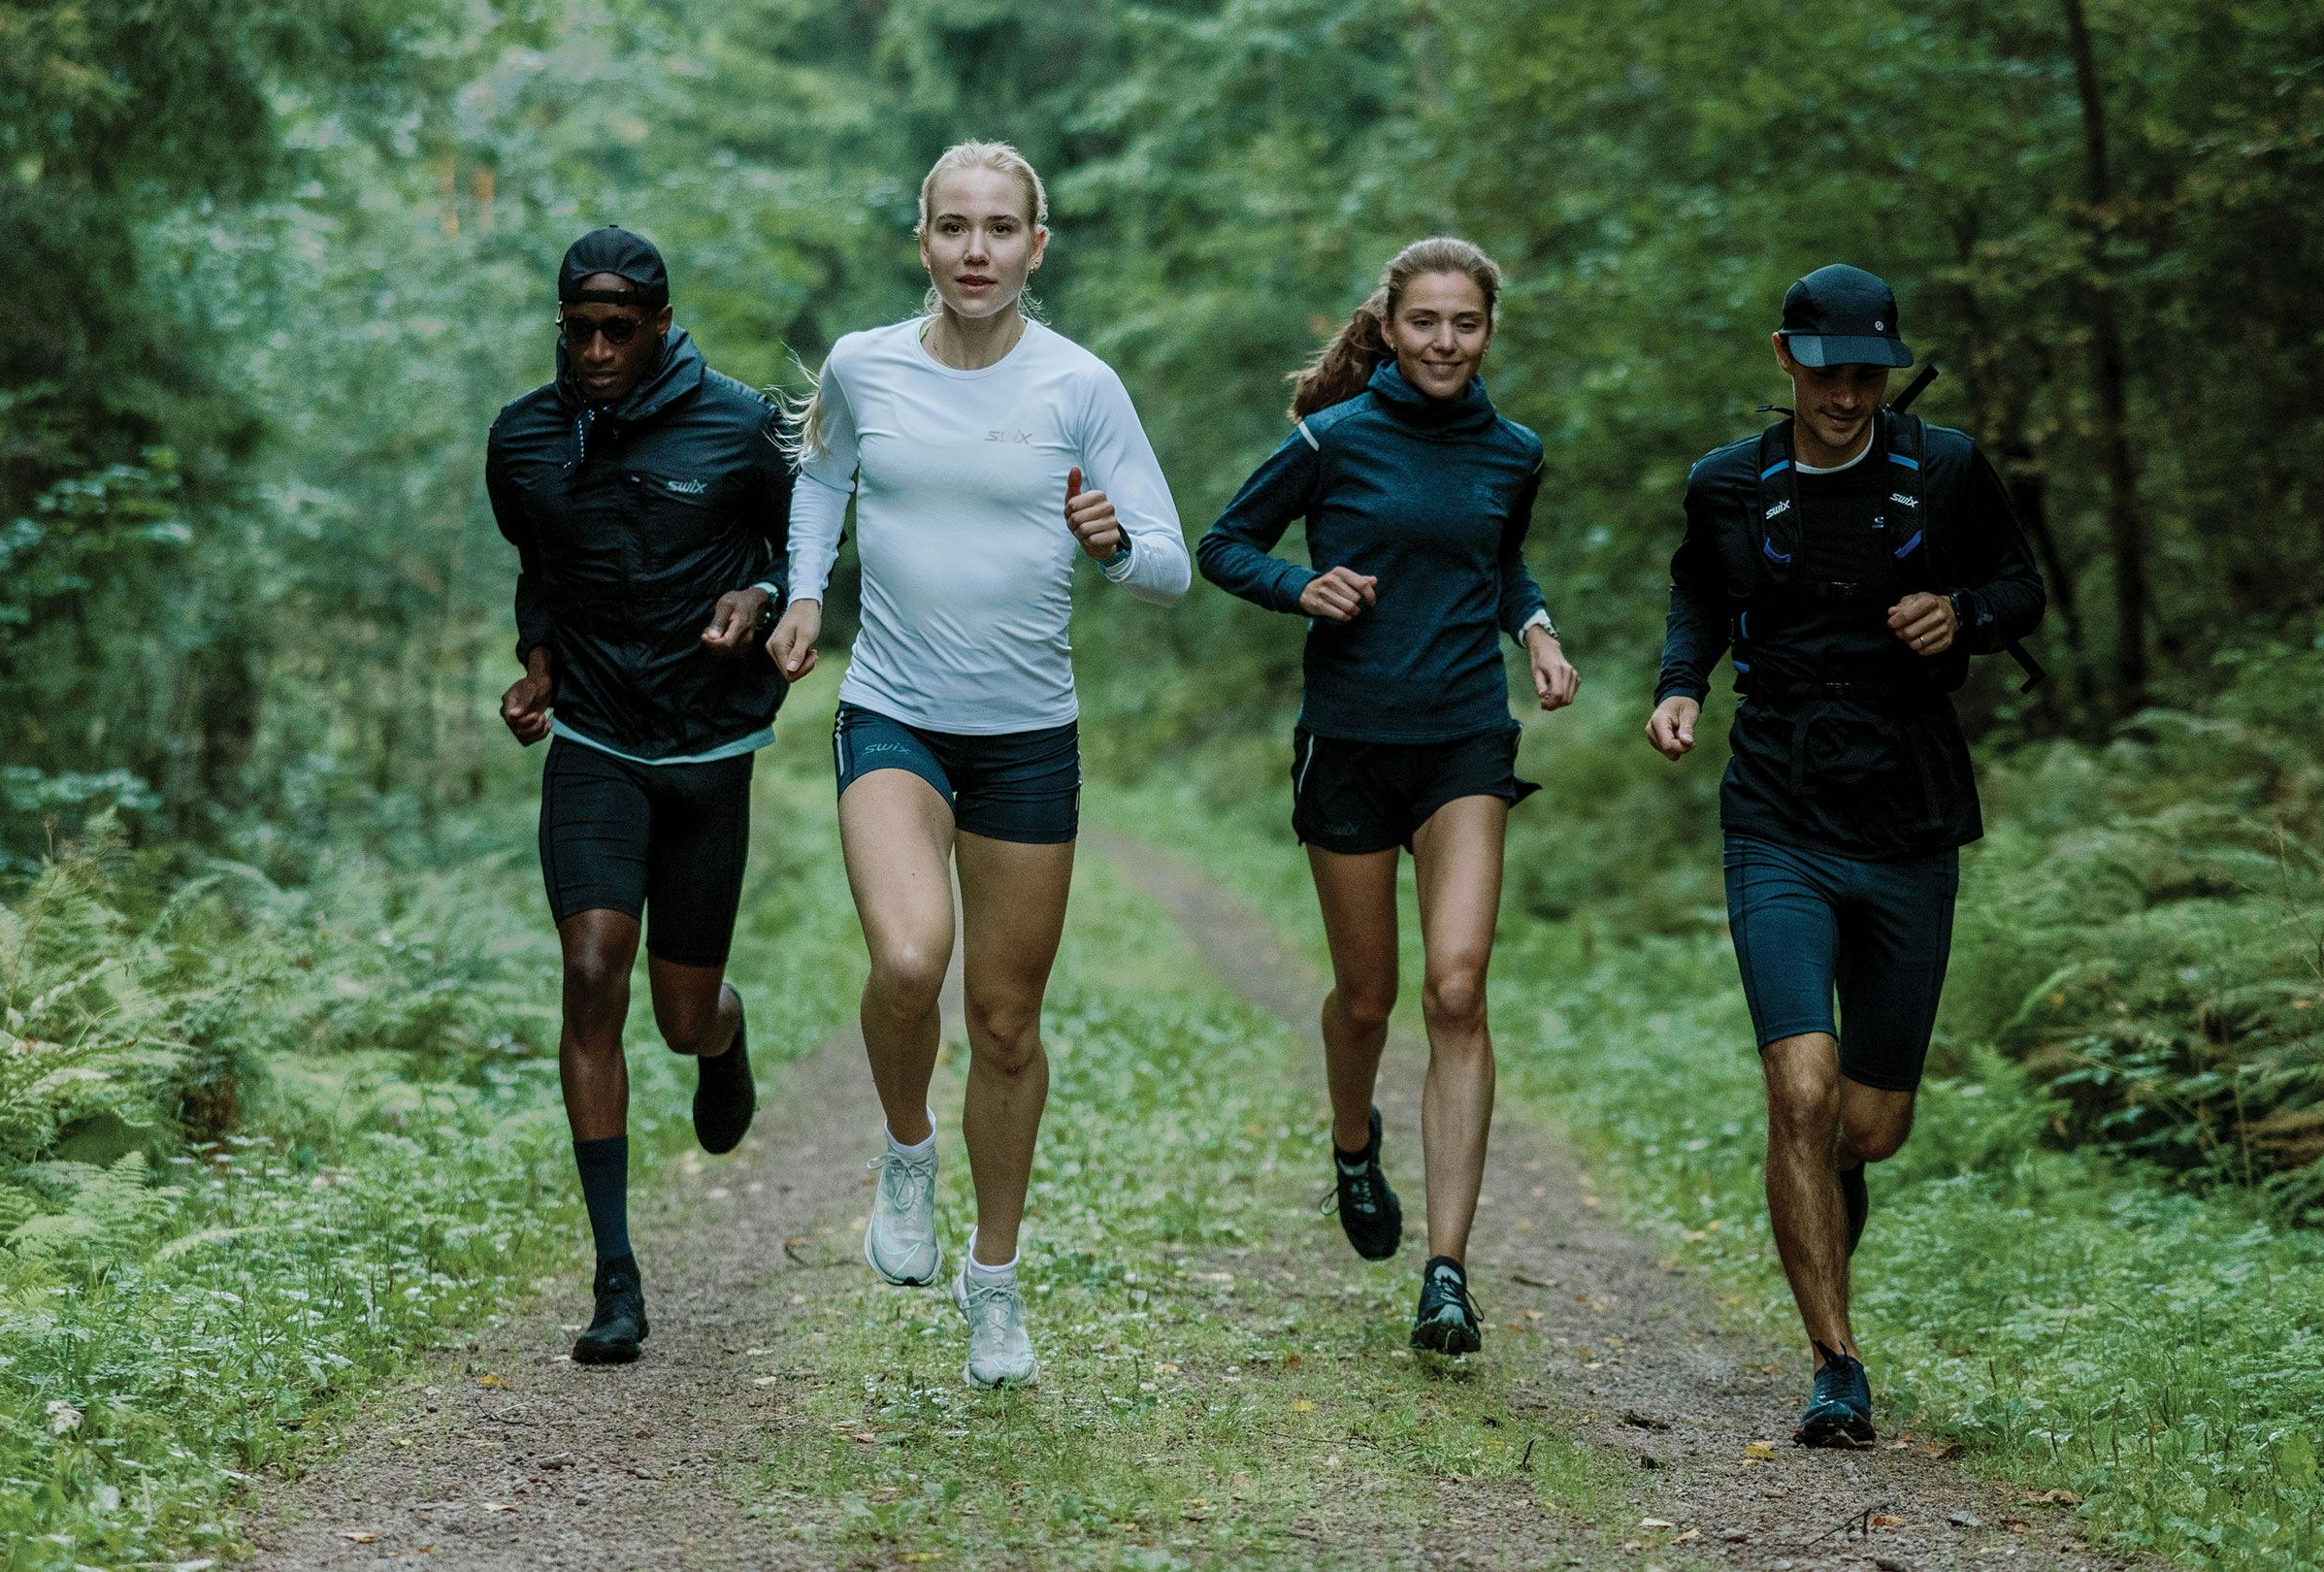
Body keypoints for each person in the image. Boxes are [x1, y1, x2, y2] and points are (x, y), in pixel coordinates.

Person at [765, 141, 1191, 1389]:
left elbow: (1170, 563)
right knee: (909, 958)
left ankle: (992, 1281)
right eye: (953, 227)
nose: (975, 251)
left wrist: (1112, 544)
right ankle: (907, 1153)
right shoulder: (863, 364)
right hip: (892, 709)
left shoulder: (1081, 387)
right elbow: (823, 473)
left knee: (1005, 1026)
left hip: (1026, 738)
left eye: (1000, 229)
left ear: (1036, 246)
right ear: (923, 239)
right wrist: (803, 593)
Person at [1646, 263, 2045, 1446]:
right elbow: (1696, 598)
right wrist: (1679, 686)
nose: (1846, 395)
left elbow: (2021, 586)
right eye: (1826, 373)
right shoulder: (1727, 485)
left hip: (1913, 819)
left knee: (1869, 1126)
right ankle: (1836, 1363)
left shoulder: (1950, 470)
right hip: (1776, 812)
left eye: (1868, 373)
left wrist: (1962, 614)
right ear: (1787, 358)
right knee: (1801, 1090)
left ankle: (1822, 1178)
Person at [1197, 237, 1578, 1356]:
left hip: (1464, 739)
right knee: (1367, 1000)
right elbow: (1225, 544)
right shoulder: (1333, 436)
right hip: (1352, 743)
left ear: (1488, 331)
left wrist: (1538, 630)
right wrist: (1297, 585)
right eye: (1425, 323)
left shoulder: (1515, 450)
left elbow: (1501, 562)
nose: (1445, 343)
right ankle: (1353, 1142)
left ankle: (1447, 1273)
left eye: (1465, 324)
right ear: (1390, 326)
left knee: (1457, 994)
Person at [487, 225, 793, 1366]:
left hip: (711, 747)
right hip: (598, 740)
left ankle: (725, 1037)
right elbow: (542, 565)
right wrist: (537, 668)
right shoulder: (522, 438)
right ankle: (616, 1276)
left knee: (676, 1016)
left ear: (662, 325)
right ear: (561, 323)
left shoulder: (739, 421)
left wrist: (762, 591)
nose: (599, 350)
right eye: (581, 330)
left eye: (621, 330)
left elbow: (814, 539)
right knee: (587, 971)